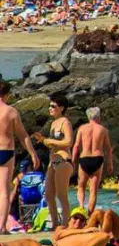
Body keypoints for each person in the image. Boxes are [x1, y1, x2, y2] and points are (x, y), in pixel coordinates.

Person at [0, 79, 39, 234]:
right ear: (7, 95)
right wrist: (33, 154)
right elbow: (23, 136)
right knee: (3, 191)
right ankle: (2, 227)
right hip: (5, 151)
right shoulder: (10, 111)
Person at [31, 92, 74, 229]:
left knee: (62, 195)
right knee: (49, 195)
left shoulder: (65, 122)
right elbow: (53, 143)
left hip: (63, 162)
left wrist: (49, 140)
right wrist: (43, 140)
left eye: (53, 106)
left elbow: (68, 142)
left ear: (61, 108)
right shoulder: (53, 123)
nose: (50, 108)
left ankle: (66, 224)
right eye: (49, 106)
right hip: (53, 161)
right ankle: (55, 223)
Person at [72, 106, 112, 214]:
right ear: (98, 116)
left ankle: (81, 208)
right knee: (93, 191)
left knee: (81, 187)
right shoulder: (103, 129)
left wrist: (72, 161)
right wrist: (110, 164)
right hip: (97, 159)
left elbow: (76, 146)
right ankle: (89, 215)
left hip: (84, 158)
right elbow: (108, 148)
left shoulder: (82, 128)